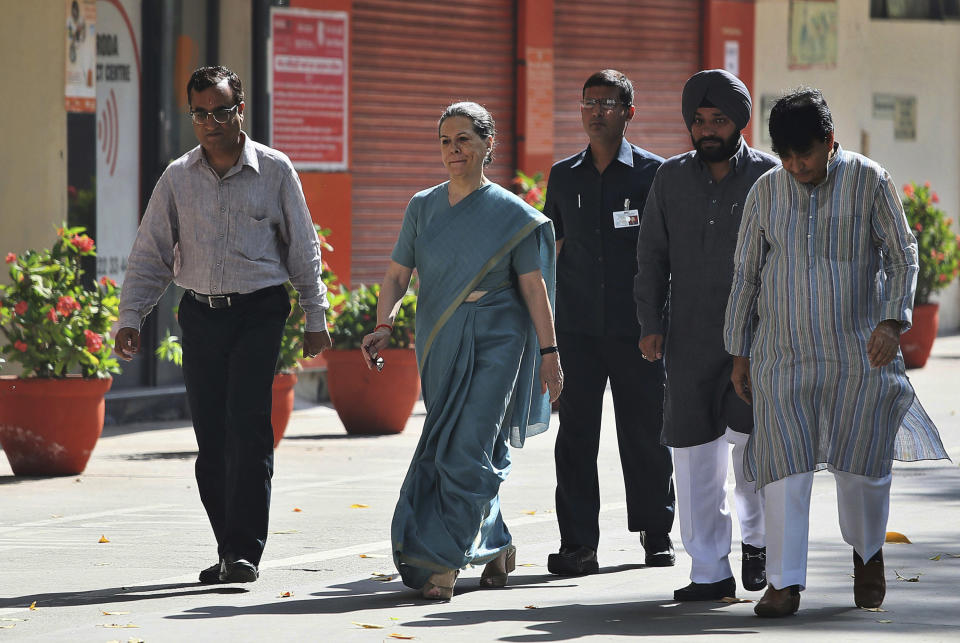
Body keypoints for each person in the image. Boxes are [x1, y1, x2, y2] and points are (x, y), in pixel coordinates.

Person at [723, 87, 948, 617]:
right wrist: (740, 352)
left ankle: (868, 557)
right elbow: (746, 275)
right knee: (784, 468)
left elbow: (902, 254)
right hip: (783, 353)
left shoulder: (869, 179)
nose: (796, 166)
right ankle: (783, 582)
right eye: (786, 156)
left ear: (830, 142)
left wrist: (893, 321)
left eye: (805, 155)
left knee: (862, 467)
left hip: (859, 354)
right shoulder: (766, 191)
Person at [115, 65, 331, 584]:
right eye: (200, 113)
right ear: (192, 115)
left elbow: (303, 248)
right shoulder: (177, 177)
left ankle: (244, 553)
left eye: (221, 110)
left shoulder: (276, 171)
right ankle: (227, 545)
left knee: (247, 427)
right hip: (200, 314)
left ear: (241, 110)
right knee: (211, 438)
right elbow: (151, 253)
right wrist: (132, 316)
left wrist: (314, 315)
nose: (211, 122)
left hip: (260, 311)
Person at [361, 101, 561, 600]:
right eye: (446, 141)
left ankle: (444, 563)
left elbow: (534, 289)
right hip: (441, 339)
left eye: (465, 139)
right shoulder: (422, 206)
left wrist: (550, 353)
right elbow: (395, 275)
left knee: (468, 448)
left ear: (488, 144)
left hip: (499, 336)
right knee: (451, 444)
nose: (454, 150)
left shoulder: (511, 215)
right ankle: (496, 545)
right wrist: (383, 323)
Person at [634, 69, 778, 601]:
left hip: (756, 339)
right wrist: (650, 323)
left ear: (739, 121)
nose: (707, 129)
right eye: (698, 120)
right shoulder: (669, 178)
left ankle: (759, 542)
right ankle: (709, 572)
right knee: (694, 456)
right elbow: (650, 255)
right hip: (689, 337)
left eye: (719, 119)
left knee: (751, 453)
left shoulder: (770, 175)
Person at [544, 69, 675, 576]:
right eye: (588, 102)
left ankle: (656, 533)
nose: (596, 111)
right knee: (576, 437)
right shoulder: (563, 176)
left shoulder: (654, 174)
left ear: (628, 113)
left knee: (644, 434)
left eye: (607, 103)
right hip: (576, 330)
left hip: (638, 330)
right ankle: (578, 544)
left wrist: (660, 321)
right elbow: (548, 250)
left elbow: (665, 254)